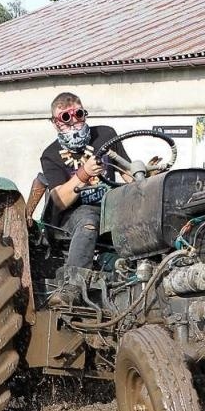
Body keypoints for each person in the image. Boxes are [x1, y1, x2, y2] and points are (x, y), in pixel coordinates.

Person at [37, 92, 127, 304]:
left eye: (78, 115)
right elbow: (59, 201)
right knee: (88, 219)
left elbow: (127, 171)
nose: (74, 122)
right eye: (66, 118)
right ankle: (72, 286)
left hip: (109, 209)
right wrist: (83, 174)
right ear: (55, 123)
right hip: (70, 219)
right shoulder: (50, 154)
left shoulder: (106, 135)